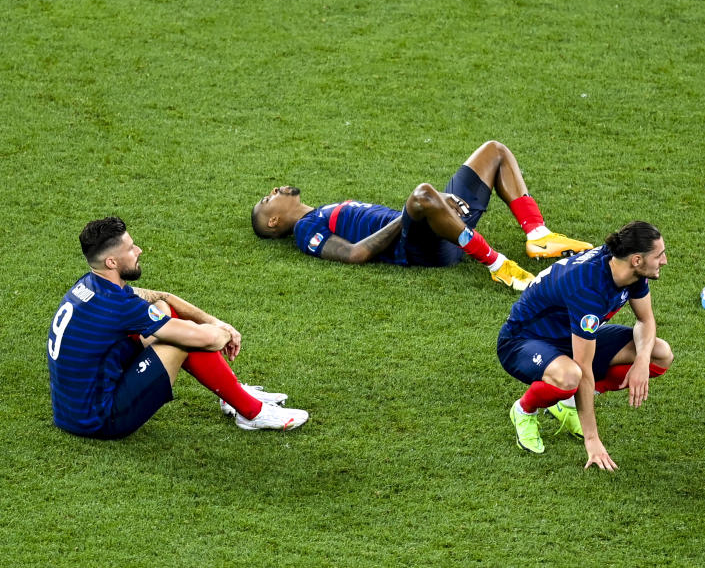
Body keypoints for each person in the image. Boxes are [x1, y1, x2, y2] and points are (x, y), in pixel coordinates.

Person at [47, 217, 309, 439]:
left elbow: (163, 298)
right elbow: (207, 340)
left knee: (164, 311)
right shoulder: (118, 305)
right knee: (182, 340)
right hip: (98, 421)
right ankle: (251, 412)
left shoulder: (90, 284)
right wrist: (224, 332)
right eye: (130, 248)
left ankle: (234, 394)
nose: (138, 250)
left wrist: (214, 321)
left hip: (72, 410)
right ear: (112, 263)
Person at [250, 141, 594, 291]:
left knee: (494, 151)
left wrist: (436, 208)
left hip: (440, 224)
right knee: (423, 193)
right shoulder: (306, 230)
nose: (276, 190)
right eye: (269, 199)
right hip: (418, 247)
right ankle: (497, 266)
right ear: (273, 222)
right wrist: (413, 211)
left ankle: (538, 235)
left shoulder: (322, 210)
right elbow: (355, 255)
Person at [496, 221, 674, 471]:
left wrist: (642, 360)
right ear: (637, 260)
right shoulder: (587, 289)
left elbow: (645, 320)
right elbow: (584, 367)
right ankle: (524, 410)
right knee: (571, 376)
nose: (664, 260)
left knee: (659, 354)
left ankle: (567, 406)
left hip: (569, 338)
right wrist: (593, 441)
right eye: (659, 255)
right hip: (522, 341)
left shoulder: (627, 268)